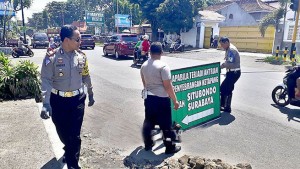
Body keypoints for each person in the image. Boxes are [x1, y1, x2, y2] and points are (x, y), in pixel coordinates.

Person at [40, 25, 94, 169]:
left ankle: (73, 164)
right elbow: (46, 80)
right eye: (77, 39)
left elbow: (86, 75)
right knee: (62, 131)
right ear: (66, 40)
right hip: (58, 101)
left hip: (77, 100)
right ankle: (68, 149)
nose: (80, 42)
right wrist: (46, 103)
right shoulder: (52, 57)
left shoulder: (82, 56)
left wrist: (90, 93)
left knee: (74, 135)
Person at [140, 42, 181, 154]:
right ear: (162, 52)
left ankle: (148, 144)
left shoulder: (144, 65)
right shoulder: (163, 66)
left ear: (150, 52)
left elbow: (145, 84)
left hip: (149, 99)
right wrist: (175, 100)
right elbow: (168, 86)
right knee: (166, 125)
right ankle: (170, 147)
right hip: (162, 100)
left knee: (148, 122)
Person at [219, 37, 241, 113]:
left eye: (222, 44)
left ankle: (226, 107)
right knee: (226, 88)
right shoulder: (228, 49)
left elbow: (230, 63)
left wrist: (221, 66)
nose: (221, 46)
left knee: (224, 88)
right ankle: (224, 106)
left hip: (233, 73)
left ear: (226, 43)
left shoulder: (231, 50)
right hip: (232, 72)